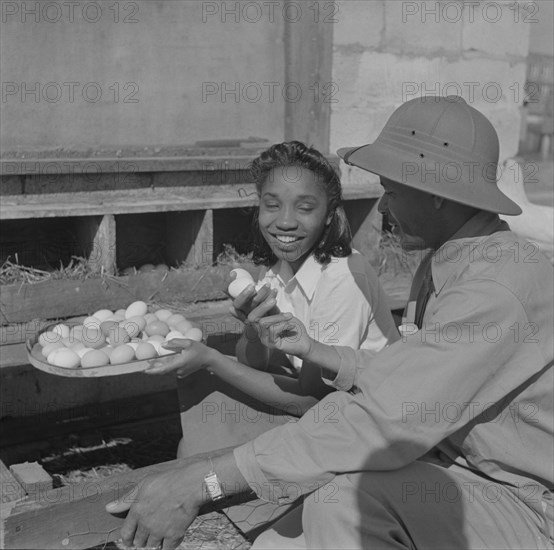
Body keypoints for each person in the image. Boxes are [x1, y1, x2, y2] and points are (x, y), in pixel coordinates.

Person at [106, 96, 554, 550]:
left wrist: (208, 481)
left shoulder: (493, 289)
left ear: (437, 193)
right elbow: (412, 376)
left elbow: (385, 418)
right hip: (446, 463)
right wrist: (319, 351)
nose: (381, 208)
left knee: (344, 500)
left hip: (520, 500)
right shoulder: (446, 263)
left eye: (392, 190)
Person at [147, 141, 398, 423]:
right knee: (198, 438)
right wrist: (254, 328)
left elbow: (311, 401)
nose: (285, 222)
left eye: (304, 208)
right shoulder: (277, 268)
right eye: (272, 205)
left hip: (364, 417)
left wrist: (210, 360)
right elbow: (255, 362)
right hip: (319, 406)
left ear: (329, 215)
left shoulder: (343, 276)